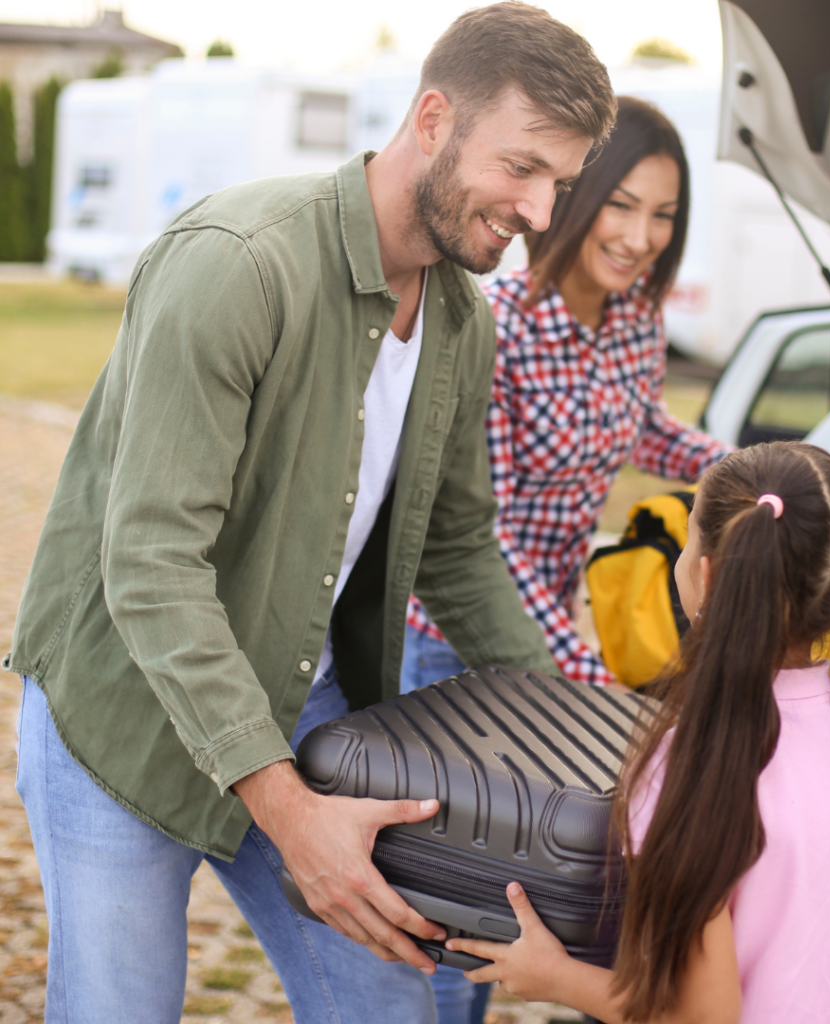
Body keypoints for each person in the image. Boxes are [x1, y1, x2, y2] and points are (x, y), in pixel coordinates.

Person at [3, 6, 616, 1023]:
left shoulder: (463, 320)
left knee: (388, 1004)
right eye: (522, 167)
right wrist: (290, 816)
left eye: (560, 180)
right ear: (432, 118)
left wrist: (578, 734)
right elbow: (152, 561)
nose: (543, 211)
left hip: (303, 702)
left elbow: (459, 551)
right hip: (122, 719)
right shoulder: (235, 263)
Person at [402, 97, 729, 1024]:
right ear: (576, 194)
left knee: (537, 896)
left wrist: (746, 474)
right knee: (459, 916)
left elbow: (638, 429)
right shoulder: (492, 320)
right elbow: (482, 535)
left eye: (664, 216)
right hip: (455, 650)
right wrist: (582, 676)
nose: (640, 238)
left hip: (552, 650)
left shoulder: (635, 320)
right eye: (622, 205)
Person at [447, 441, 830, 1024]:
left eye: (688, 538)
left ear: (705, 575)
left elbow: (699, 1017)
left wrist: (553, 976)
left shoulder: (697, 759)